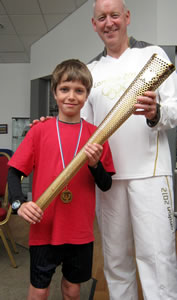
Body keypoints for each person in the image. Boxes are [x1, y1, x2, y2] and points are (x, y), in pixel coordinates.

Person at [80, 0, 177, 299]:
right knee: (116, 262)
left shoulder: (152, 55)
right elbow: (81, 128)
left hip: (150, 175)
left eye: (114, 16)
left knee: (157, 259)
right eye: (102, 18)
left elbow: (174, 108)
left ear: (127, 17)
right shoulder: (90, 70)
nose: (109, 23)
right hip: (108, 181)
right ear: (94, 24)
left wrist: (155, 112)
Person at [7, 59, 115, 300]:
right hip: (43, 228)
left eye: (79, 90)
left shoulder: (97, 135)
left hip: (79, 231)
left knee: (72, 289)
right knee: (39, 290)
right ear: (55, 92)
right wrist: (18, 204)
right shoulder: (39, 130)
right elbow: (14, 173)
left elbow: (106, 184)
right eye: (64, 89)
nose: (71, 96)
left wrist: (95, 164)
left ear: (87, 95)